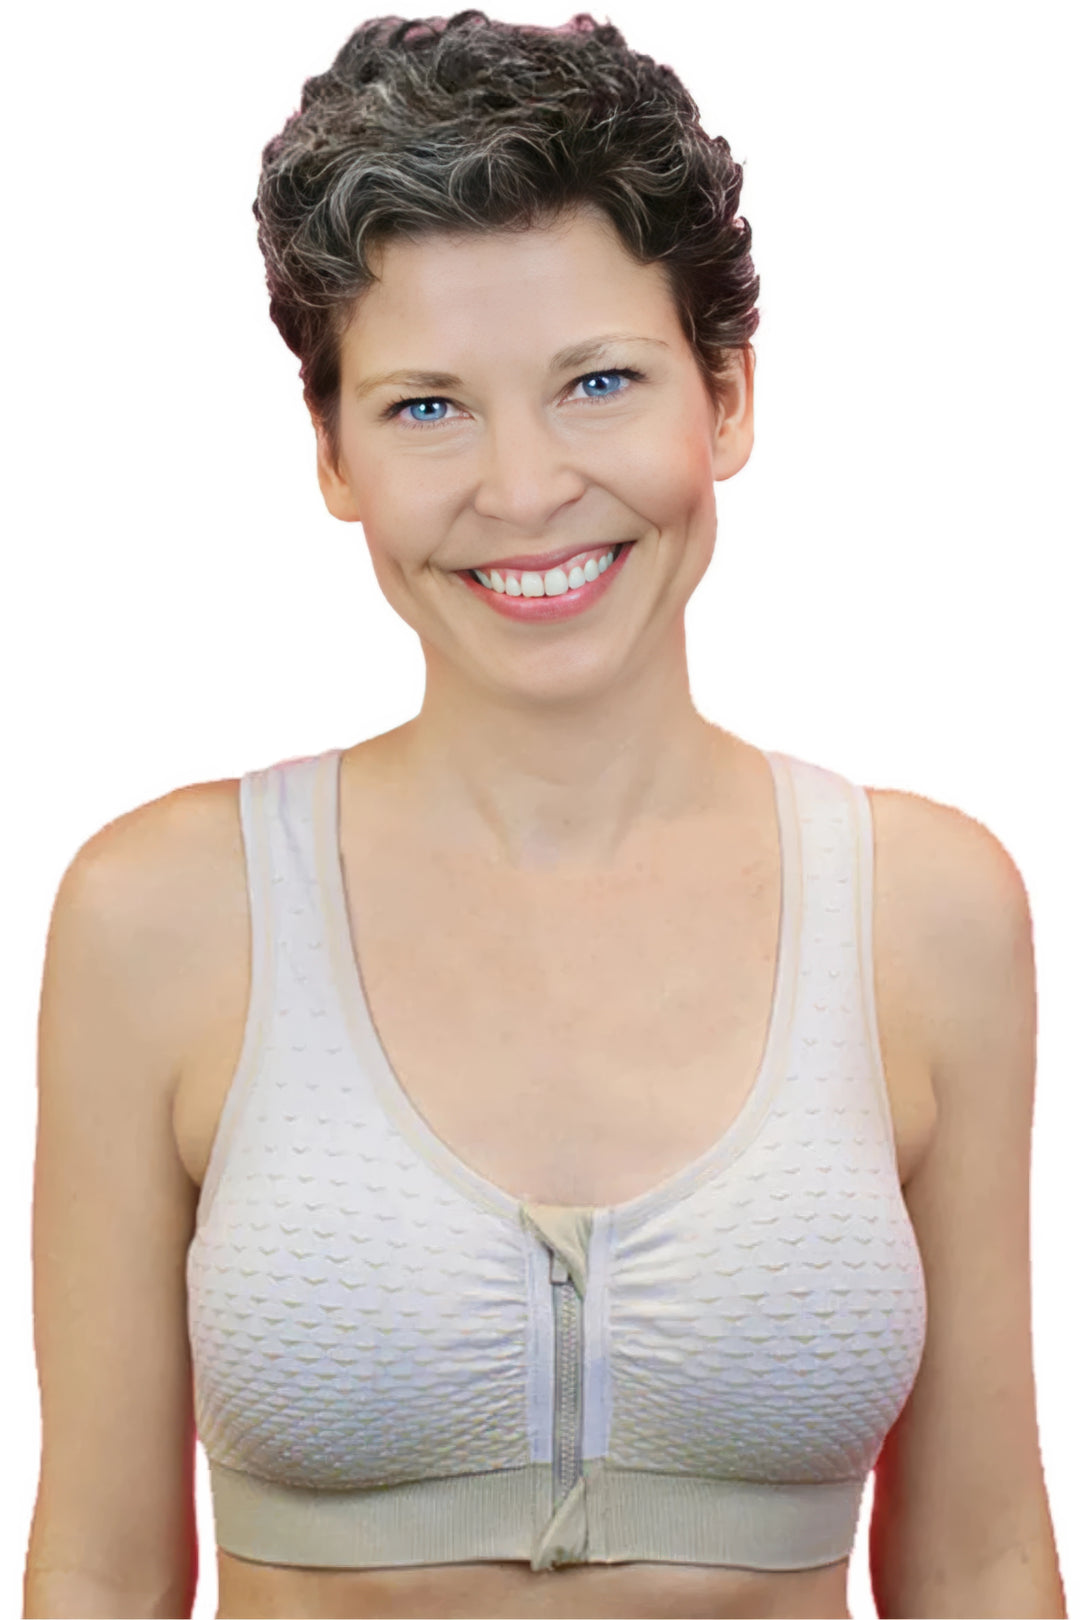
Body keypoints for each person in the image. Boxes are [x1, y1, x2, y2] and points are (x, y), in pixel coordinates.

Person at [24, 11, 1065, 1620]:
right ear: (331, 452)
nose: (522, 491)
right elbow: (94, 1567)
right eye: (427, 406)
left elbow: (982, 1558)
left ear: (723, 397)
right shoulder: (160, 918)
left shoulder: (931, 913)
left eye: (598, 382)